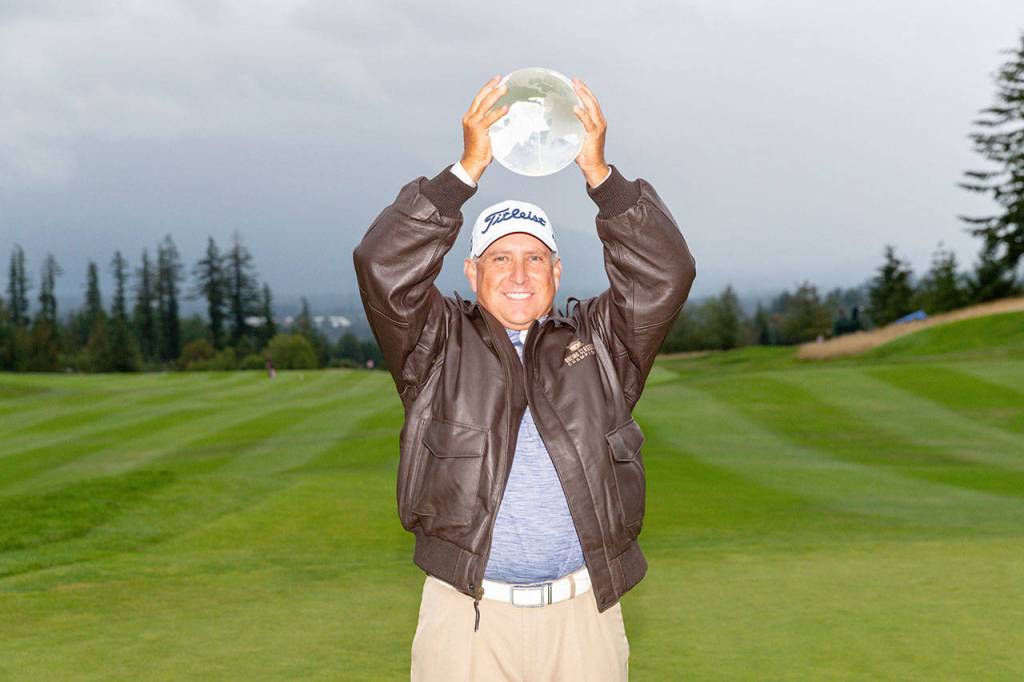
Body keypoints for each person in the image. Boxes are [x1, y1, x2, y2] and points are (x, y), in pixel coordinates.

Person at [353, 74, 696, 681]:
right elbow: (382, 265)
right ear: (471, 271)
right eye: (500, 258)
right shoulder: (435, 343)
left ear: (557, 271)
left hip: (583, 618)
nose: (518, 273)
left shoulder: (600, 343)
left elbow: (664, 274)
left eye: (534, 256)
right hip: (468, 618)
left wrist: (601, 176)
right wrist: (465, 171)